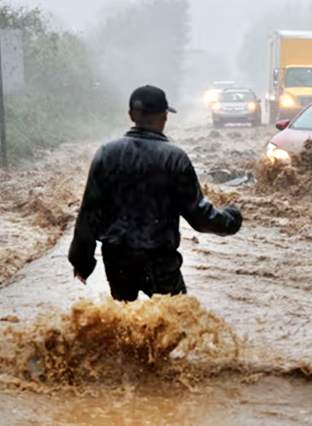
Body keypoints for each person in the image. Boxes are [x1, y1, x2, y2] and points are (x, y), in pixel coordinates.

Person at [68, 85, 242, 301]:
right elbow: (199, 216)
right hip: (160, 260)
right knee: (174, 322)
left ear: (131, 115)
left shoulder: (106, 153)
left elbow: (89, 212)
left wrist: (81, 262)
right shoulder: (174, 158)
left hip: (117, 259)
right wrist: (232, 216)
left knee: (124, 323)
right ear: (165, 116)